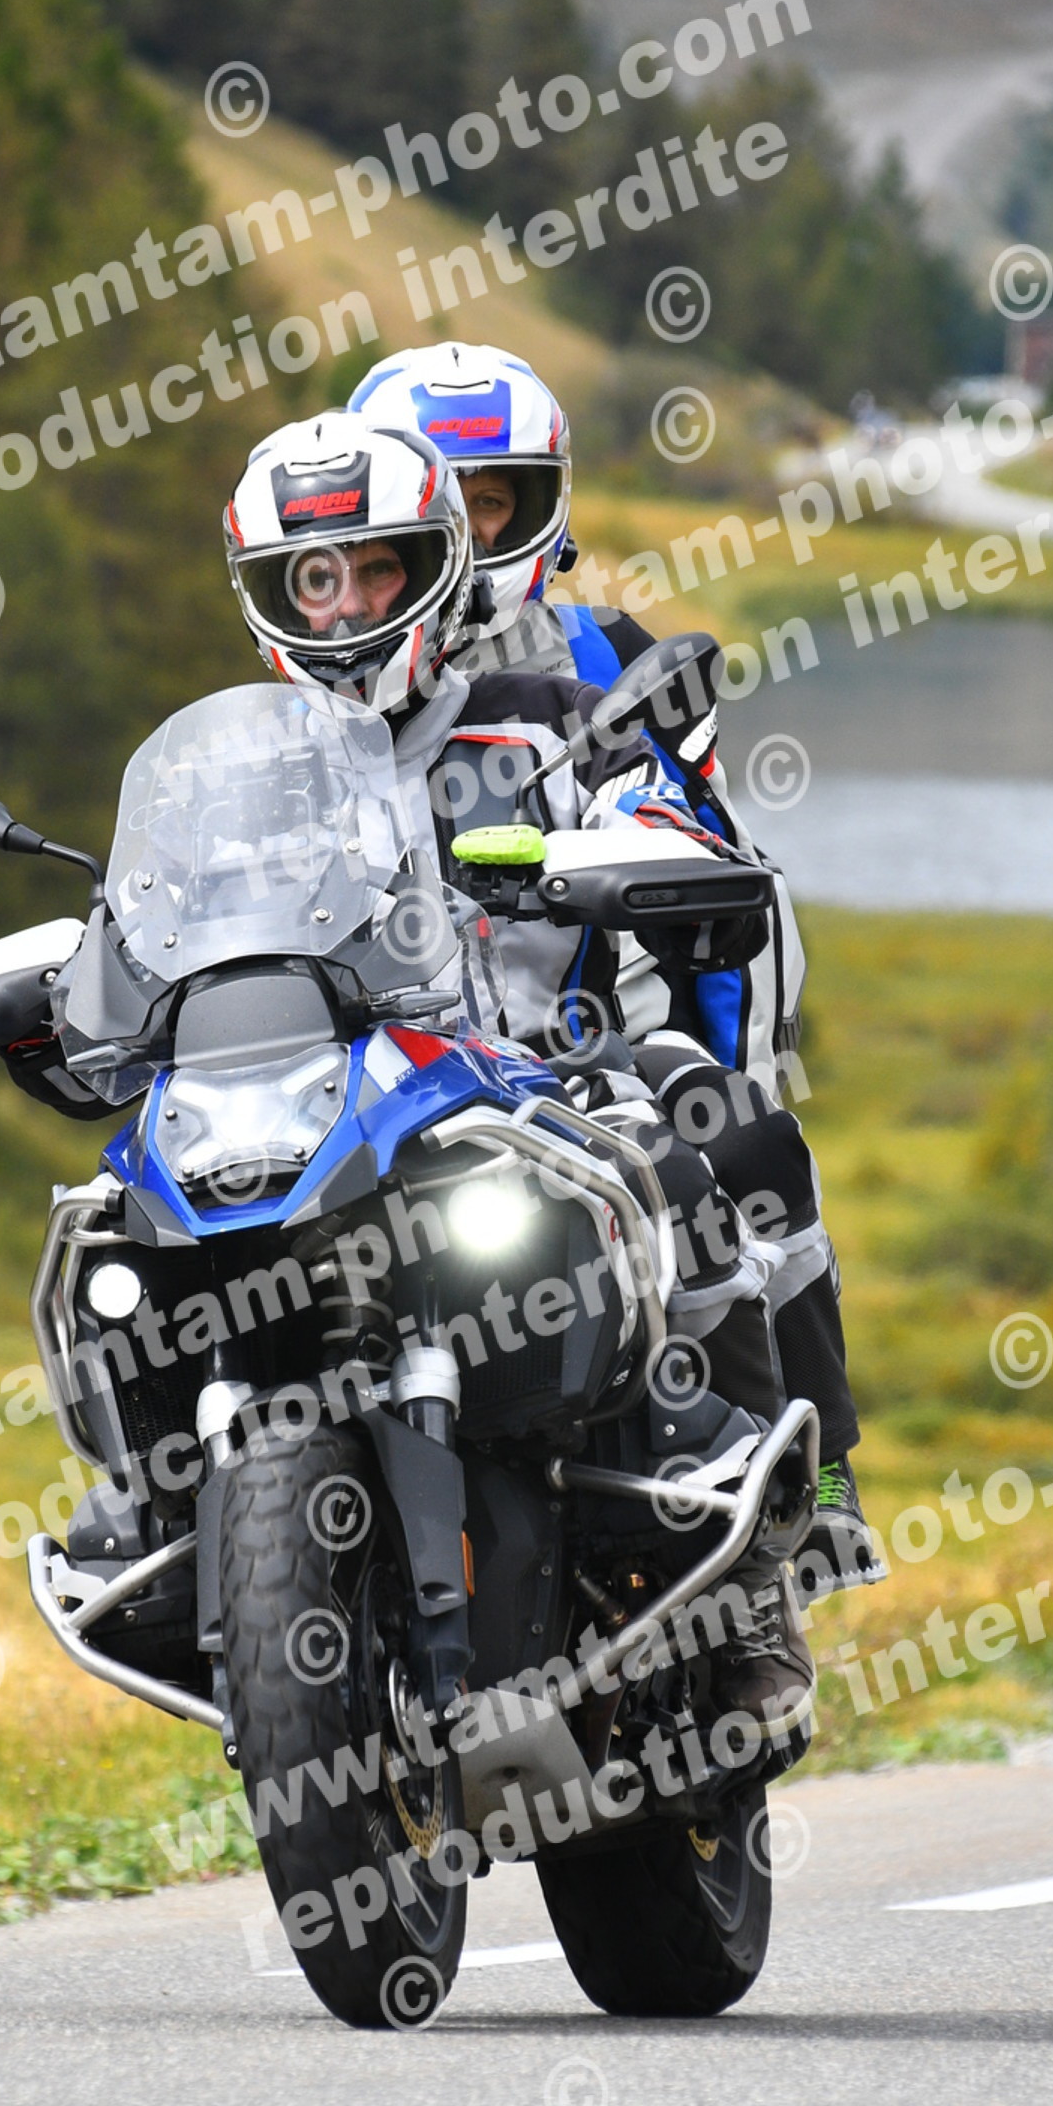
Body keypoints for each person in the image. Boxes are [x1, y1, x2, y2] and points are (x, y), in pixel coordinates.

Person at [224, 406, 819, 1725]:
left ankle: (754, 1573)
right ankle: (156, 1501)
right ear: (269, 595)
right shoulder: (243, 772)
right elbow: (150, 917)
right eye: (312, 578)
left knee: (685, 1160)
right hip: (321, 1113)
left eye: (374, 568)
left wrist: (641, 847)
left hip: (541, 1080)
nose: (345, 604)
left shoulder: (546, 718)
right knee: (131, 1232)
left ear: (435, 567)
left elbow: (648, 807)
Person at [347, 342, 884, 1604]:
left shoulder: (608, 663)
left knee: (742, 1138)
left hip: (560, 1048)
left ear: (545, 506)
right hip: (352, 1073)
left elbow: (725, 876)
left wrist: (729, 1064)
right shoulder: (311, 680)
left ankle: (806, 1479)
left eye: (497, 499)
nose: (471, 529)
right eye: (443, 497)